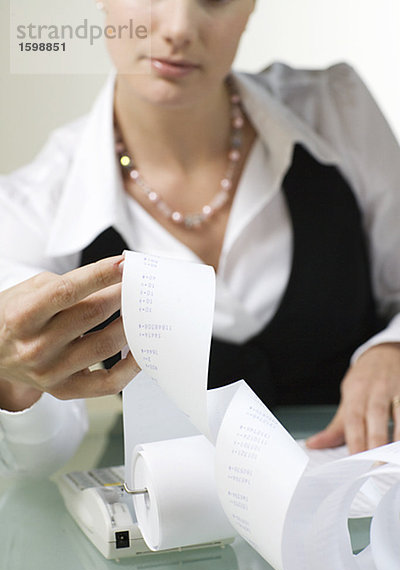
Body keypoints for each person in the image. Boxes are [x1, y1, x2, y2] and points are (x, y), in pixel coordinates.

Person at [1, 0, 400, 479]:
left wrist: (391, 349)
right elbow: (37, 459)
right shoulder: (30, 206)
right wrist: (14, 380)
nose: (179, 29)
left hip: (363, 500)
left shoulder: (339, 110)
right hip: (174, 524)